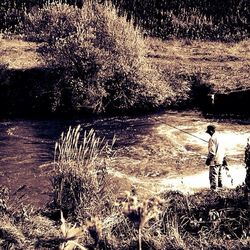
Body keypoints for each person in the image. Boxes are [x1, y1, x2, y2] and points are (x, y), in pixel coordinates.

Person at [205, 125, 225, 190]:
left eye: (208, 132)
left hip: (214, 161)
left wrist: (208, 160)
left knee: (213, 176)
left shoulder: (212, 139)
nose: (208, 133)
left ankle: (213, 190)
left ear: (211, 131)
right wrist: (224, 159)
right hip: (220, 159)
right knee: (219, 176)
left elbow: (212, 152)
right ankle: (220, 189)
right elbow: (223, 149)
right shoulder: (220, 137)